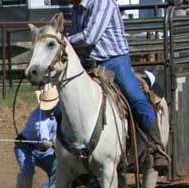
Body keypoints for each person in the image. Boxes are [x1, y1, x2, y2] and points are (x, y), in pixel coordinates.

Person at [68, 0, 169, 175]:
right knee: (66, 98)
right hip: (88, 63)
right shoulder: (77, 8)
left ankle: (157, 148)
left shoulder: (102, 3)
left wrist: (64, 40)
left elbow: (89, 37)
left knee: (135, 97)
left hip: (114, 61)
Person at [15, 85, 70, 188]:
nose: (50, 110)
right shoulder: (37, 117)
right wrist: (46, 141)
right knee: (27, 172)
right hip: (25, 147)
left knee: (59, 174)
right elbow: (42, 131)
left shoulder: (61, 115)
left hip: (46, 150)